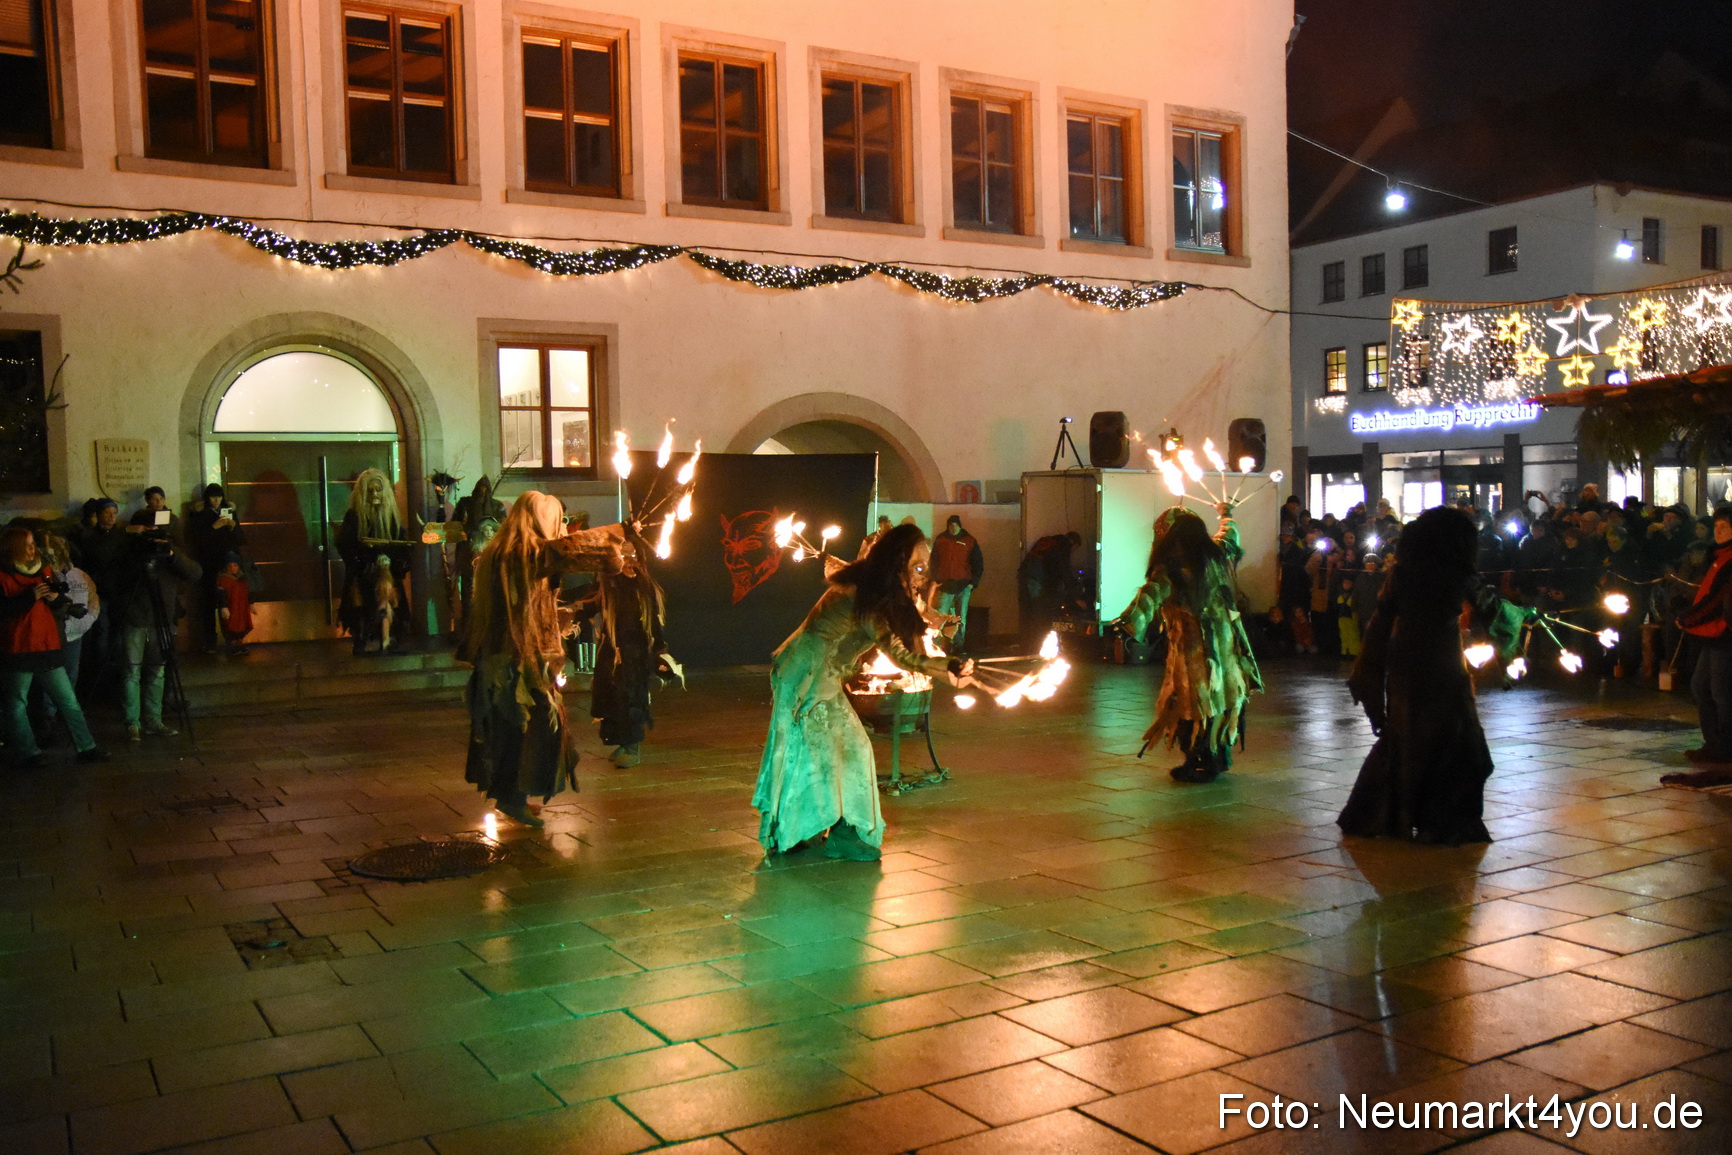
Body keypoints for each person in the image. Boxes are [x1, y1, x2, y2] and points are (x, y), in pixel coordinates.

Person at [754, 525, 973, 860]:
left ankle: (819, 830)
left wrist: (942, 637)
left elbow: (914, 617)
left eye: (925, 569)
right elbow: (899, 653)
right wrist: (943, 668)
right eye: (917, 568)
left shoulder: (876, 586)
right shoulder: (866, 594)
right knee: (822, 751)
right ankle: (810, 831)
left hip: (819, 675)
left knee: (837, 750)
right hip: (804, 675)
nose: (923, 576)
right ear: (897, 562)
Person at [1339, 507, 1530, 845]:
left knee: (1406, 735)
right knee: (1457, 742)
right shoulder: (1458, 574)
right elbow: (1494, 610)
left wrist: (1369, 669)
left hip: (1406, 662)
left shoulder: (1401, 573)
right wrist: (1525, 615)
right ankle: (1442, 819)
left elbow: (1380, 624)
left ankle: (1382, 814)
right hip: (1442, 663)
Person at [459, 491, 627, 826]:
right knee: (520, 730)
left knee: (521, 731)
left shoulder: (510, 552)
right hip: (512, 662)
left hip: (513, 658)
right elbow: (572, 553)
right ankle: (511, 798)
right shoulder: (520, 552)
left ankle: (513, 796)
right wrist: (623, 531)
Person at [1111, 502, 1262, 784]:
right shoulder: (1217, 554)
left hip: (1192, 655)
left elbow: (1147, 601)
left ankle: (1197, 760)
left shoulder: (1170, 570)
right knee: (1222, 701)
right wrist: (1226, 514)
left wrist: (1123, 624)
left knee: (1192, 705)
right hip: (1226, 651)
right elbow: (1231, 535)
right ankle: (1217, 757)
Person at [1, 526, 110, 768]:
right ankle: (27, 752)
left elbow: (58, 600)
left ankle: (86, 747)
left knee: (67, 698)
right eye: (27, 545)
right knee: (17, 702)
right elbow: (4, 610)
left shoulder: (43, 569)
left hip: (46, 645)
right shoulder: (3, 575)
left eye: (33, 544)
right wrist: (30, 596)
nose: (32, 550)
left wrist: (56, 599)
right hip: (19, 647)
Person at [579, 529, 679, 768]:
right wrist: (567, 610)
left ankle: (632, 746)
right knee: (609, 696)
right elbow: (590, 604)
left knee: (630, 697)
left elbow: (654, 623)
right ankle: (619, 740)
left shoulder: (644, 588)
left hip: (635, 654)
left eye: (632, 554)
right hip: (611, 651)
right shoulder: (607, 583)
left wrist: (659, 651)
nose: (628, 560)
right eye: (622, 555)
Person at [111, 528, 200, 742]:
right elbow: (115, 580)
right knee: (131, 673)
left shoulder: (169, 554)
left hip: (162, 621)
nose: (156, 543)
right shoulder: (129, 553)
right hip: (135, 619)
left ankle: (153, 721)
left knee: (157, 672)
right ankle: (132, 724)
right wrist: (138, 557)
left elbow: (195, 573)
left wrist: (171, 555)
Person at [1675, 506, 1732, 773]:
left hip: (1725, 632)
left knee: (1721, 691)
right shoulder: (1718, 557)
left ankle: (1725, 746)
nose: (1719, 531)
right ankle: (1713, 742)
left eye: (1725, 527)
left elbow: (1717, 600)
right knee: (1701, 686)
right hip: (1713, 633)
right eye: (1717, 526)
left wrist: (1689, 618)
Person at [337, 468, 411, 655]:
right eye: (370, 491)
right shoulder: (354, 517)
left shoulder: (392, 519)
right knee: (359, 604)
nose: (374, 494)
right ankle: (361, 639)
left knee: (389, 603)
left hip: (387, 572)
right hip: (363, 572)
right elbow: (345, 545)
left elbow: (401, 545)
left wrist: (395, 561)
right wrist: (364, 561)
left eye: (378, 490)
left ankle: (387, 640)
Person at [186, 483, 246, 653]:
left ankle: (234, 640)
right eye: (213, 496)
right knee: (209, 602)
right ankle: (209, 641)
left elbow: (240, 538)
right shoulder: (200, 515)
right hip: (208, 564)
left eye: (219, 496)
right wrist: (214, 527)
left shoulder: (228, 510)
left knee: (230, 602)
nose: (216, 500)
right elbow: (196, 540)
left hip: (227, 562)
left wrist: (233, 526)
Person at [927, 515, 984, 653]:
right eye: (950, 526)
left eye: (954, 526)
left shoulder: (969, 541)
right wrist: (936, 579)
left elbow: (978, 563)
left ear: (959, 526)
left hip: (963, 586)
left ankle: (957, 646)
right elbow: (933, 561)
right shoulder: (941, 540)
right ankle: (939, 646)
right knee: (940, 617)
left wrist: (972, 584)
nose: (952, 528)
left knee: (960, 617)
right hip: (945, 585)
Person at [214, 553, 254, 656]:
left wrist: (250, 603)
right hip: (232, 609)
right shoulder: (223, 580)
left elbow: (246, 593)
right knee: (231, 627)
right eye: (230, 566)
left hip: (241, 610)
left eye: (235, 565)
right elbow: (221, 594)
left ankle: (239, 644)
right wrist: (223, 606)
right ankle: (232, 646)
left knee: (242, 626)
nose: (232, 568)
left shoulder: (242, 580)